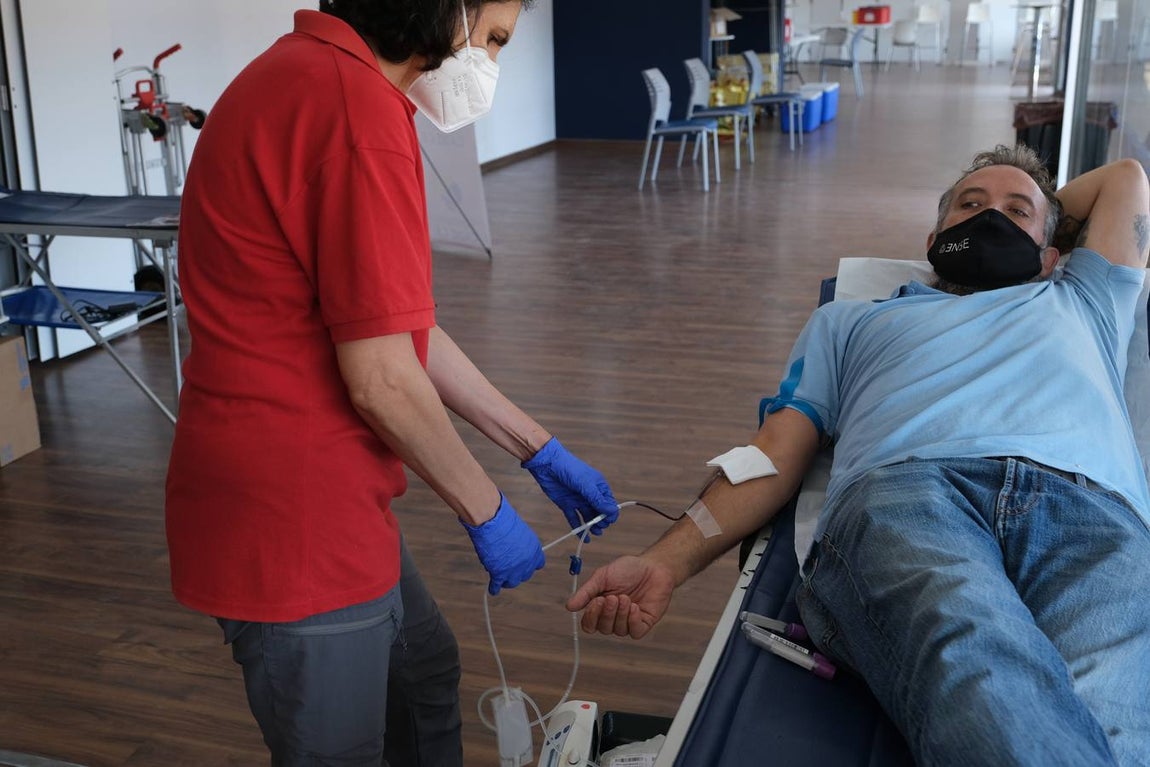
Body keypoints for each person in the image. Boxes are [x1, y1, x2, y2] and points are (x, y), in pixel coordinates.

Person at [567, 146, 1150, 766]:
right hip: (914, 492)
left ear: (1053, 249)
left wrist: (1039, 216)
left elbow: (1126, 179)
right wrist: (666, 562)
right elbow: (773, 454)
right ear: (934, 237)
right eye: (970, 205)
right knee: (976, 654)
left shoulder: (1086, 298)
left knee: (1118, 718)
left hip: (1090, 510)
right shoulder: (850, 322)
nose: (990, 220)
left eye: (1015, 213)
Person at [164, 1, 619, 764]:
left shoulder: (302, 71)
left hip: (310, 493)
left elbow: (400, 329)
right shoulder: (356, 111)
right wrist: (489, 510)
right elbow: (381, 377)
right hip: (298, 518)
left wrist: (536, 448)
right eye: (496, 39)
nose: (492, 67)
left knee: (426, 674)